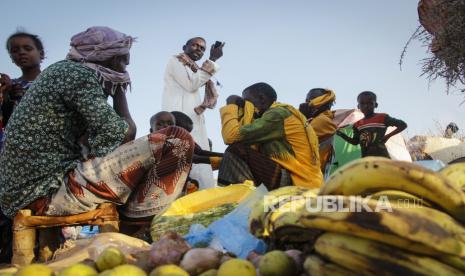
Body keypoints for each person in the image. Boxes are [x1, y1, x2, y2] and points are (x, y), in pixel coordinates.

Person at [0, 26, 194, 221]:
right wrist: (119, 91)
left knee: (146, 159)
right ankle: (144, 225)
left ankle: (138, 221)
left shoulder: (64, 71)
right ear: (109, 58)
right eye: (124, 59)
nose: (128, 64)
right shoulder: (77, 75)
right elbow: (123, 134)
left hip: (29, 193)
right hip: (44, 193)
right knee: (175, 139)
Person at [218, 82, 323, 190]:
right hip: (295, 178)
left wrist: (231, 106)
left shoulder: (277, 114)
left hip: (296, 181)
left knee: (236, 149)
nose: (246, 107)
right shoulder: (268, 121)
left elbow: (231, 137)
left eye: (247, 102)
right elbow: (247, 154)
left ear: (262, 99)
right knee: (237, 151)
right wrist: (207, 160)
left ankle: (235, 202)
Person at [162, 37, 224, 190]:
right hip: (180, 117)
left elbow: (197, 80)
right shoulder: (176, 60)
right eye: (195, 45)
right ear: (185, 46)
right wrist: (213, 59)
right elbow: (191, 84)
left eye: (202, 48)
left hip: (194, 118)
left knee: (198, 159)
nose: (199, 49)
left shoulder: (194, 68)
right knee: (182, 158)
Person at [0, 32, 45, 150]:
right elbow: (5, 121)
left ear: (41, 53)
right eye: (15, 50)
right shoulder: (10, 85)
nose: (21, 52)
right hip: (15, 149)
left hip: (49, 146)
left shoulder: (54, 82)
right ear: (11, 58)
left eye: (28, 48)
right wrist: (6, 96)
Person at [336, 91, 407, 158]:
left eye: (370, 103)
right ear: (358, 106)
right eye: (362, 103)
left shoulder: (382, 117)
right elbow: (355, 142)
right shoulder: (357, 124)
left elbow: (403, 125)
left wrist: (387, 136)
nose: (366, 106)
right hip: (366, 159)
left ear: (375, 105)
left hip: (382, 157)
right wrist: (340, 134)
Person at [299, 88, 337, 175]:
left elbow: (297, 138)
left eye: (311, 100)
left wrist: (302, 116)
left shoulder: (323, 120)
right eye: (307, 101)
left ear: (323, 101)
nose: (307, 104)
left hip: (311, 174)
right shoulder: (315, 119)